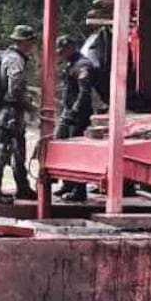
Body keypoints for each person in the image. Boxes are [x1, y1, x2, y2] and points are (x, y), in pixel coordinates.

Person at [0, 25, 38, 204]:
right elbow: (15, 90)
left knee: (18, 150)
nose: (32, 45)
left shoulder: (6, 55)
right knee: (4, 150)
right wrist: (30, 107)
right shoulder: (15, 61)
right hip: (10, 111)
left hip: (8, 110)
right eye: (30, 41)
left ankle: (22, 187)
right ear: (22, 41)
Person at [53, 34, 98, 202]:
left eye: (63, 50)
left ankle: (79, 190)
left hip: (78, 116)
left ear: (71, 47)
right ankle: (67, 184)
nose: (61, 53)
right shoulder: (71, 64)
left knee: (76, 152)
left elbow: (84, 93)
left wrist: (75, 111)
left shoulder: (83, 65)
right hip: (68, 113)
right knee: (60, 147)